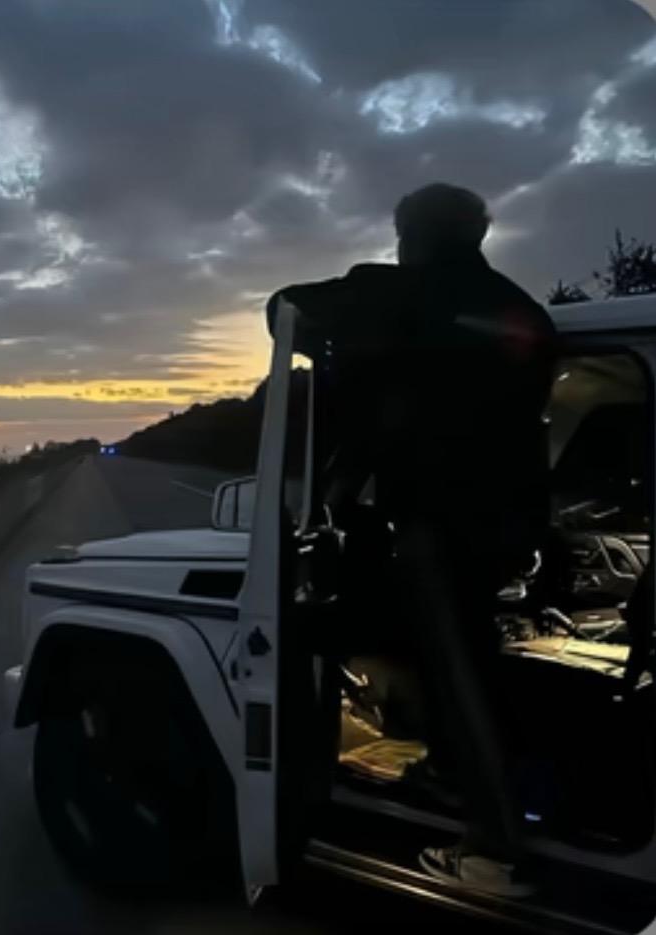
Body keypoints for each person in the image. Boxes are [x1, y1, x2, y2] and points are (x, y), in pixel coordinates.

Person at [267, 183, 557, 898]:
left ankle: (495, 852)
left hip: (433, 519)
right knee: (466, 656)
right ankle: (450, 774)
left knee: (457, 670)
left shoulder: (386, 291)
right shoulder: (527, 312)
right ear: (477, 236)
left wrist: (344, 359)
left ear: (410, 239)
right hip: (512, 525)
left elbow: (282, 309)